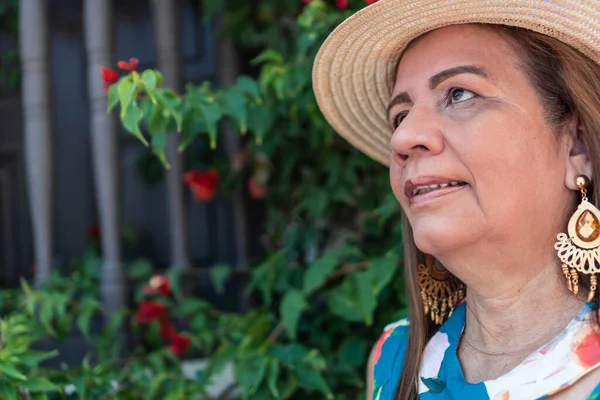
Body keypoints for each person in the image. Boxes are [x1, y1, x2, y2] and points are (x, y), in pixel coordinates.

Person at [312, 0, 600, 399]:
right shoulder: (391, 361)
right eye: (400, 116)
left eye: (460, 94)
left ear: (577, 146)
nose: (402, 138)